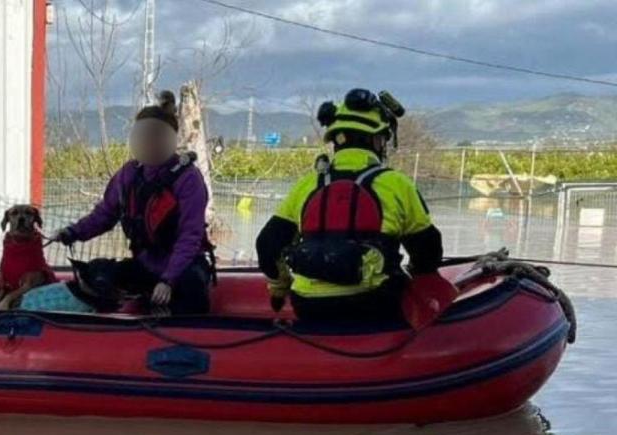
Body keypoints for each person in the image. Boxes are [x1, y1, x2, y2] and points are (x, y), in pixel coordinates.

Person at [255, 89, 443, 324]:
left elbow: (267, 245)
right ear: (377, 140)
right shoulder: (396, 184)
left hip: (308, 305)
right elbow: (428, 250)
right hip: (373, 303)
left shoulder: (307, 185)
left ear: (335, 139)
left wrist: (279, 288)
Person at [54, 90, 214, 315]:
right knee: (97, 273)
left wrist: (168, 280)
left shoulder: (188, 179)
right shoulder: (129, 174)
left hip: (183, 267)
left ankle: (189, 332)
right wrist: (72, 232)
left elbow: (190, 235)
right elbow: (104, 215)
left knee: (191, 287)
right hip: (145, 265)